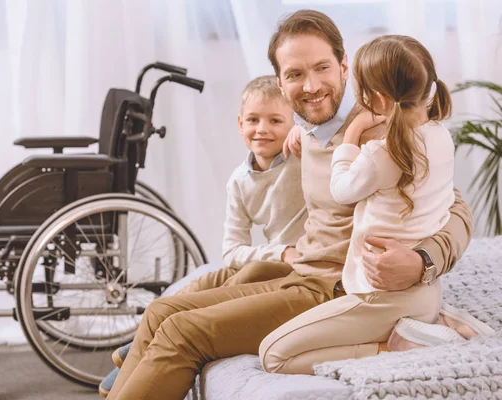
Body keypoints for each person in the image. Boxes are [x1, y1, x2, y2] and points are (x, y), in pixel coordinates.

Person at [104, 10, 473, 400]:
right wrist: (298, 132)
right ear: (280, 83)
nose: (311, 86)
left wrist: (422, 261)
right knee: (164, 312)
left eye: (322, 68)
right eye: (295, 75)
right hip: (303, 273)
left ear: (344, 67)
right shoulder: (308, 130)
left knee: (182, 331)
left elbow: (456, 208)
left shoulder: (382, 129)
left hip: (336, 289)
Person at [258, 34, 494, 375]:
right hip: (425, 290)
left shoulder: (382, 154)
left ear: (378, 99)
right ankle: (435, 320)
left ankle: (399, 345)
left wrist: (353, 133)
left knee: (272, 355)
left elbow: (341, 190)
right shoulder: (440, 136)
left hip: (380, 294)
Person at [99, 75, 302, 397]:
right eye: (253, 120)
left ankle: (140, 348)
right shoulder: (239, 180)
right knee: (209, 281)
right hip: (279, 257)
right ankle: (139, 350)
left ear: (294, 125)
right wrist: (279, 252)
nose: (262, 129)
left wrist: (304, 134)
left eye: (275, 120)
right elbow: (232, 249)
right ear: (240, 124)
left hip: (298, 265)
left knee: (249, 272)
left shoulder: (300, 161)